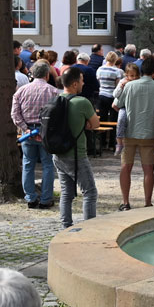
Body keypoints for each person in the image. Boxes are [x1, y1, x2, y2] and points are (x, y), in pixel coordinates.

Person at [53, 66, 101, 228]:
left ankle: (65, 226)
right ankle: (88, 229)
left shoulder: (56, 100)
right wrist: (85, 123)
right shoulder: (82, 102)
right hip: (77, 154)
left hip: (58, 153)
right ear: (74, 84)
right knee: (90, 192)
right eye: (81, 80)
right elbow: (96, 124)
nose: (83, 83)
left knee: (66, 193)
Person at [11, 60, 59, 210]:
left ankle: (30, 197)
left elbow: (15, 114)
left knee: (28, 165)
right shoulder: (53, 92)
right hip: (46, 132)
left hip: (28, 132)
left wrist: (25, 128)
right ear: (47, 74)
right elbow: (58, 115)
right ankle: (46, 198)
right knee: (47, 165)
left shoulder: (21, 91)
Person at [112, 61, 154, 210]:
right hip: (149, 132)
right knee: (148, 169)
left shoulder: (129, 85)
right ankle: (147, 202)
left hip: (129, 132)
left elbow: (116, 104)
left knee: (126, 167)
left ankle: (125, 202)